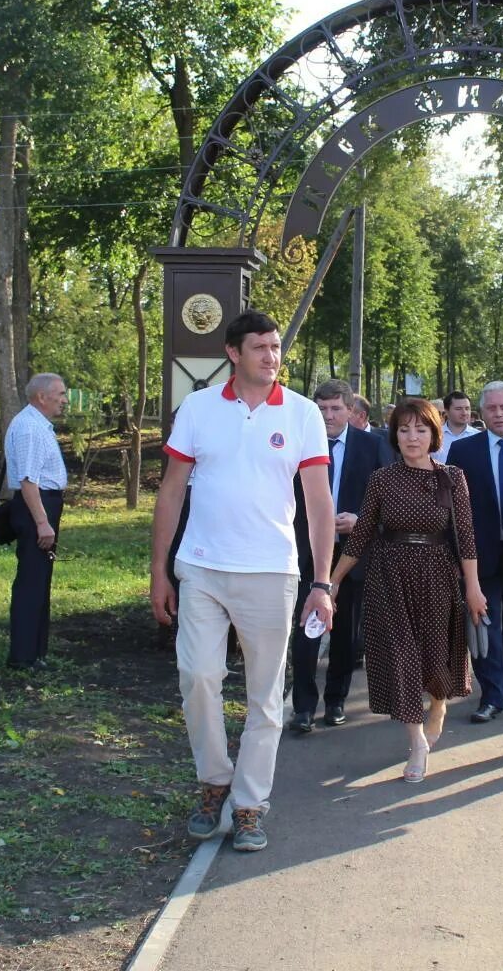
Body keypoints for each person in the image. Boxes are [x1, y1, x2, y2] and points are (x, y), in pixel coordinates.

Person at [150, 309, 335, 854]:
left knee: (265, 696)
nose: (271, 357)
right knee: (199, 676)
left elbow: (319, 504)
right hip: (202, 567)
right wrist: (159, 570)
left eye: (276, 347)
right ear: (233, 352)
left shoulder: (302, 413)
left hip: (271, 570)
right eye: (259, 347)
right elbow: (171, 491)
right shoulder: (200, 410)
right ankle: (214, 783)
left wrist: (322, 583)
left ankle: (250, 804)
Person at [330, 397, 486, 782]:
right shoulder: (382, 479)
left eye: (420, 429)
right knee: (401, 659)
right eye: (403, 429)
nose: (411, 437)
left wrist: (474, 589)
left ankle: (438, 707)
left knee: (434, 659)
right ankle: (416, 741)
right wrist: (330, 582)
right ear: (394, 435)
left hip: (437, 577)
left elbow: (465, 539)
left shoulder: (451, 478)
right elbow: (362, 535)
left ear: (434, 433)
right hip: (389, 579)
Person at [289, 378, 393, 733]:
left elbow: (388, 502)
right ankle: (302, 706)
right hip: (306, 553)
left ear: (351, 411)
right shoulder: (301, 444)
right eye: (322, 409)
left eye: (336, 409)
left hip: (352, 555)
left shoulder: (372, 447)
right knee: (305, 631)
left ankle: (336, 701)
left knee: (346, 634)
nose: (329, 416)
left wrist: (361, 520)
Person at [447, 380, 503, 722]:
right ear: (481, 413)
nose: (498, 414)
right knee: (486, 622)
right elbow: (455, 509)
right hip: (479, 554)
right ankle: (492, 694)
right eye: (491, 408)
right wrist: (456, 558)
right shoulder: (464, 452)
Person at [2, 372, 69, 669]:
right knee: (31, 582)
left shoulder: (38, 425)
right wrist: (42, 522)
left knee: (40, 580)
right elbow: (29, 481)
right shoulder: (30, 428)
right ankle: (24, 656)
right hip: (36, 507)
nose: (65, 400)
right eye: (61, 394)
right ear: (42, 397)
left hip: (43, 505)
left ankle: (35, 652)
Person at [436, 390, 478, 461]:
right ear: (446, 411)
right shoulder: (435, 436)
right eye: (458, 409)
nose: (464, 413)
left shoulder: (478, 436)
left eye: (467, 408)